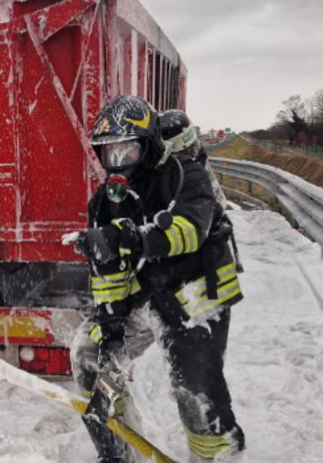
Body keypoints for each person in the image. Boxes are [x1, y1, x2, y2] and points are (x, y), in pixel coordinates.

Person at [71, 95, 245, 463]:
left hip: (197, 287)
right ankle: (116, 454)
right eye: (108, 153)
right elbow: (109, 271)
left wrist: (132, 237)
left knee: (193, 387)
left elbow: (189, 231)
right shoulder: (105, 200)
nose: (117, 162)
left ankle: (217, 457)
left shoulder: (186, 176)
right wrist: (112, 327)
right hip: (152, 285)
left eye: (127, 151)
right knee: (88, 355)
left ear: (148, 146)